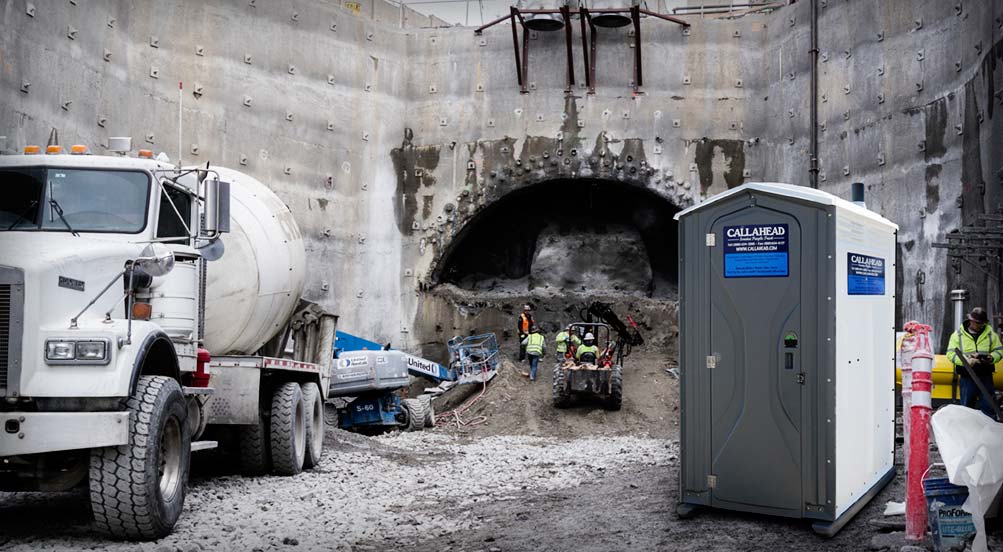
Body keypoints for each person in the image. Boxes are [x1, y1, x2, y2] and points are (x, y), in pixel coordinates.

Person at [946, 307, 1002, 418]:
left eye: (982, 323)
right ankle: (967, 433)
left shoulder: (991, 335)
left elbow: (1000, 351)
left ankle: (988, 432)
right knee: (966, 409)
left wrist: (991, 357)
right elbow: (950, 354)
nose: (981, 326)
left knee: (989, 408)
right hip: (967, 377)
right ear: (971, 321)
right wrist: (965, 361)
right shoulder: (957, 336)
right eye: (978, 323)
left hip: (985, 376)